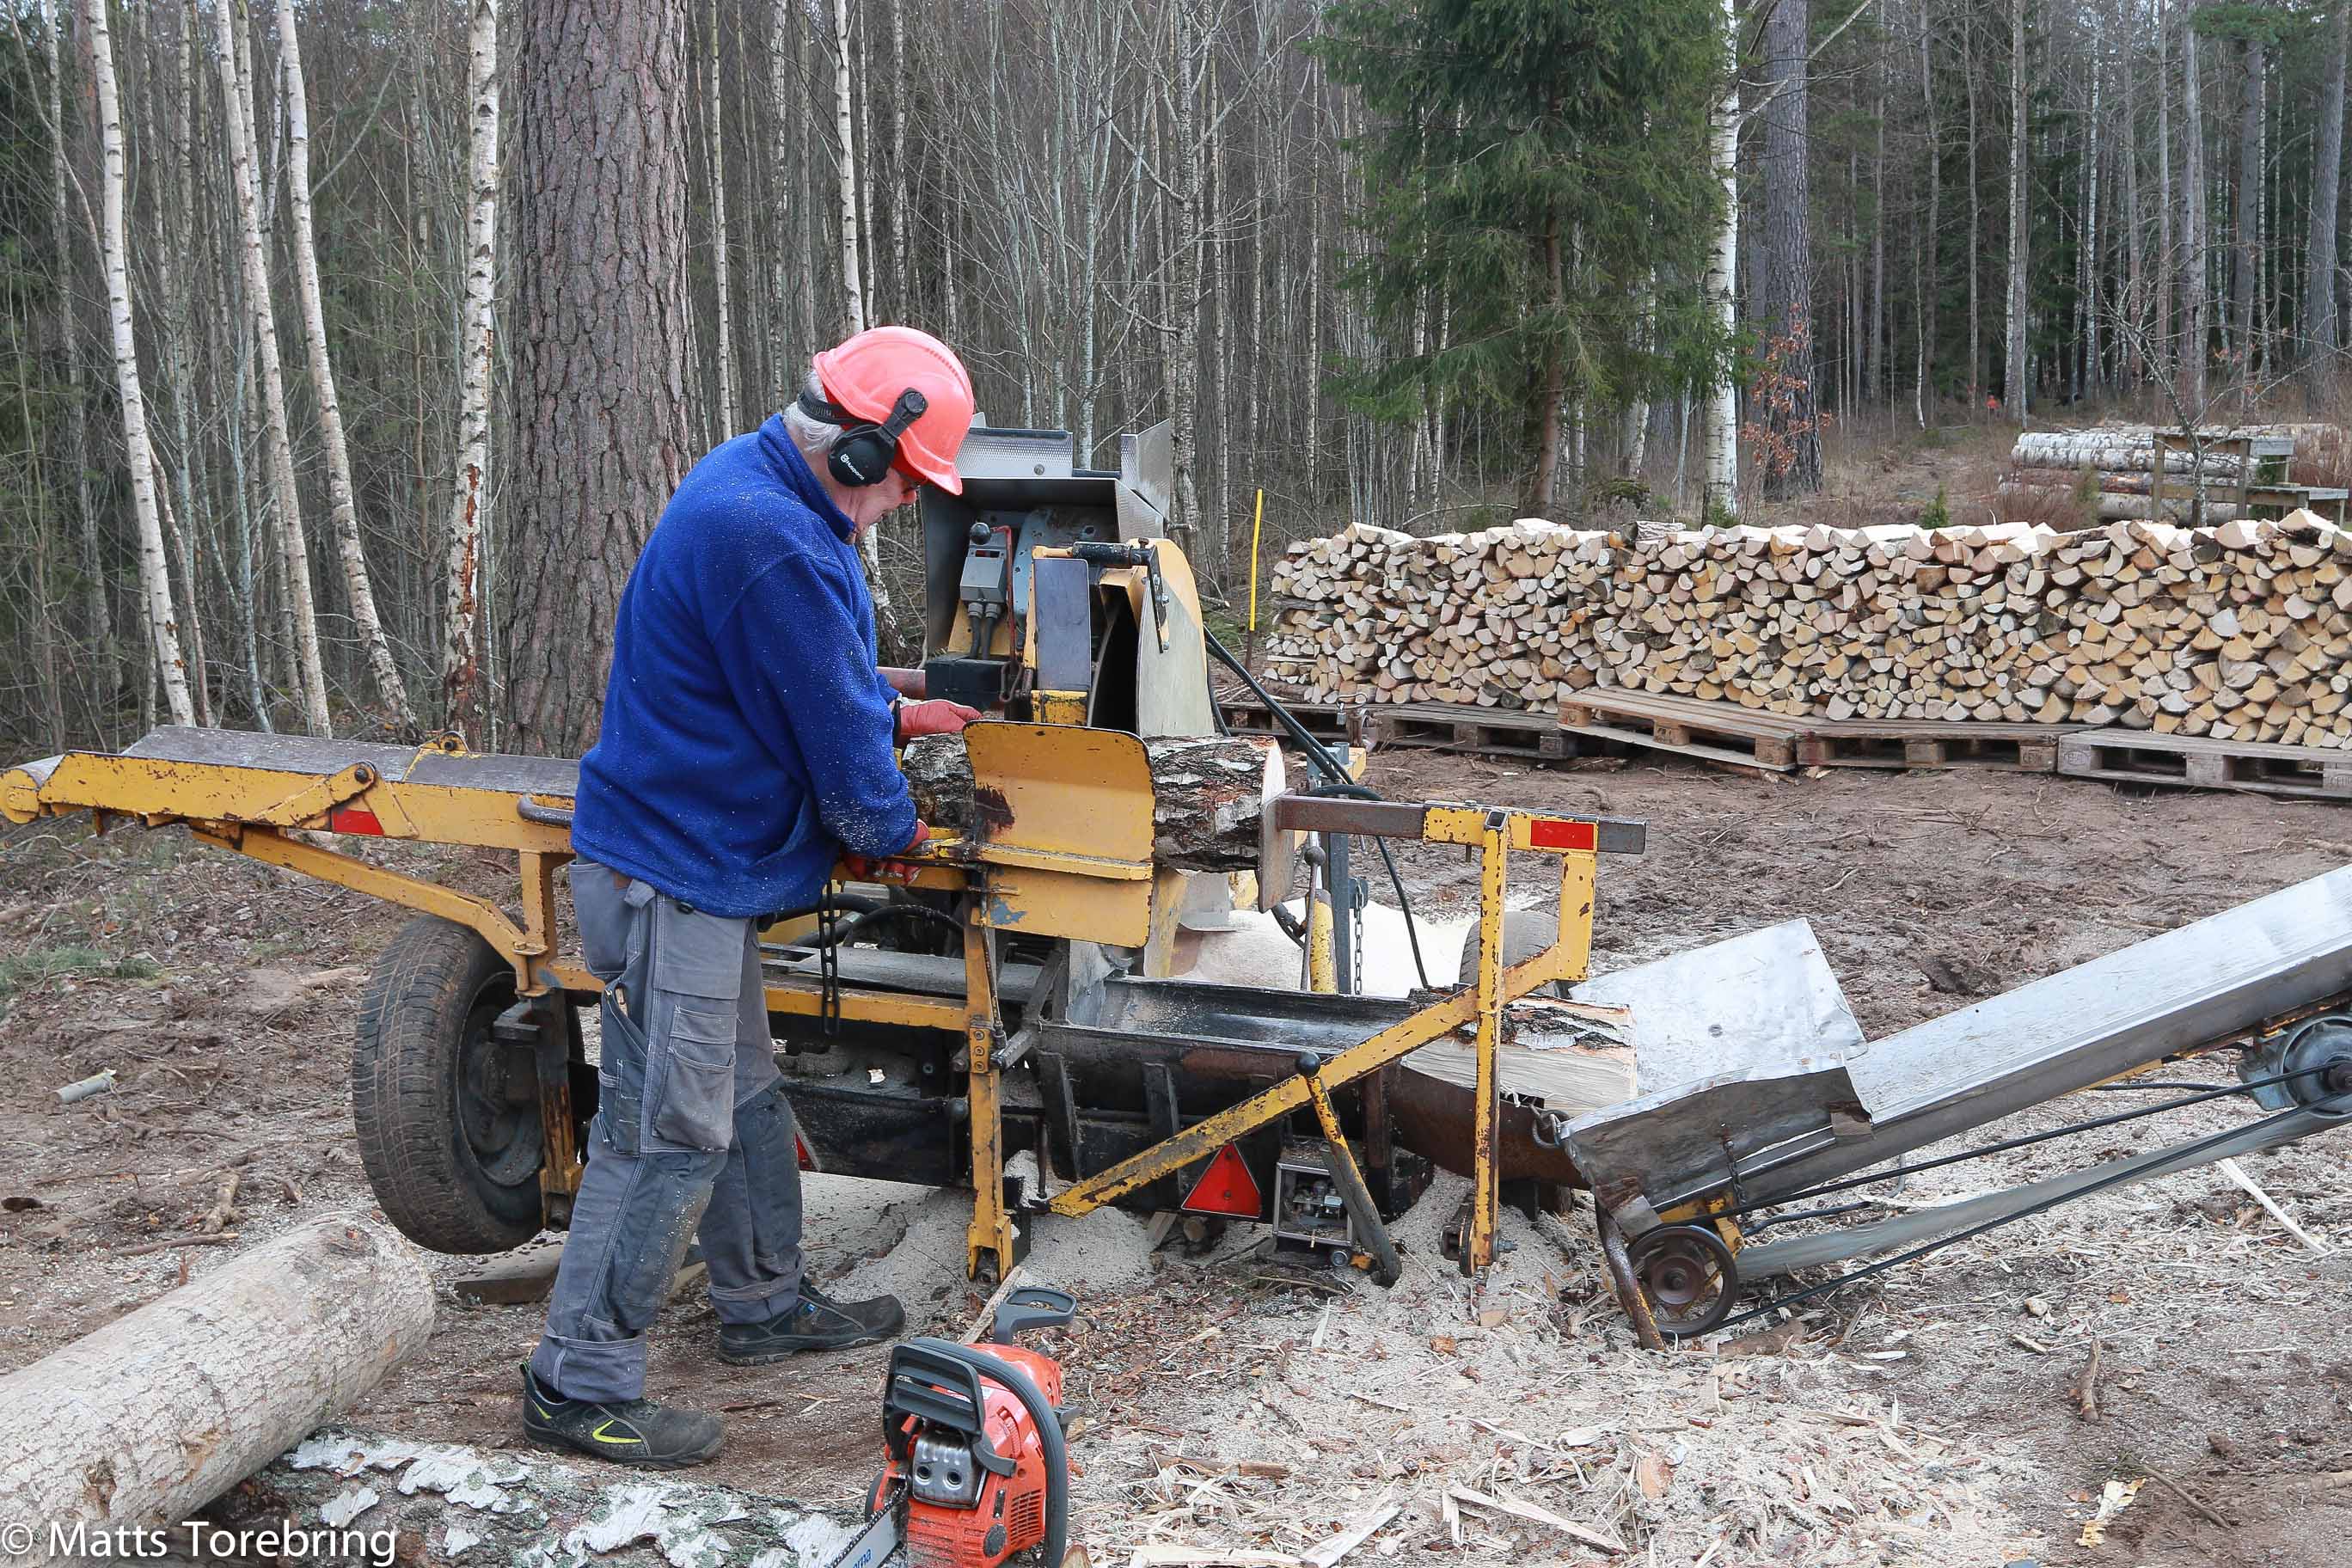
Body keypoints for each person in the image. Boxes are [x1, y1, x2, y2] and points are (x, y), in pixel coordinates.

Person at [521, 326, 985, 1468]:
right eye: (903, 485)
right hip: (672, 872)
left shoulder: (757, 482)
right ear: (860, 452)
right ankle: (577, 1383)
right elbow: (844, 765)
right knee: (665, 1130)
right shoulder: (772, 535)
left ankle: (765, 1303)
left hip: (701, 862)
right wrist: (901, 833)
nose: (899, 507)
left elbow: (787, 677)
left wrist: (889, 705)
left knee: (736, 1089)